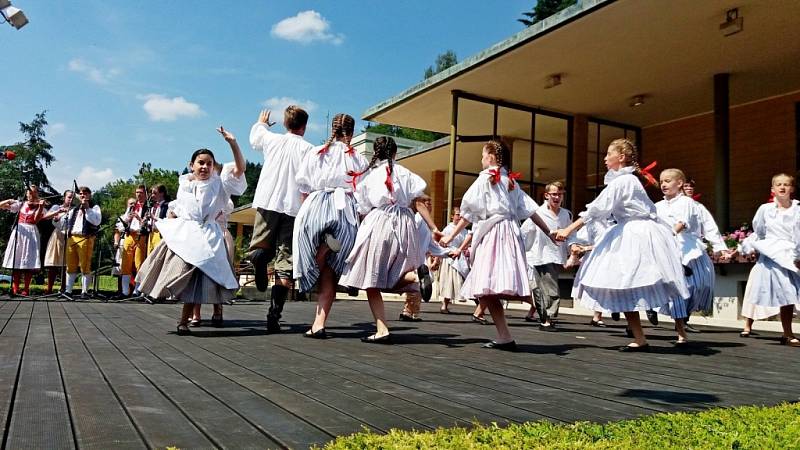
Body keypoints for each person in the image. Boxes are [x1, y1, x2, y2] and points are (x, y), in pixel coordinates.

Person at [554, 138, 689, 352]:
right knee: (623, 282)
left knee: (632, 278)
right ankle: (640, 337)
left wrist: (568, 230)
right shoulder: (625, 181)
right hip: (629, 231)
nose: (605, 158)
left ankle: (667, 328)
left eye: (609, 154)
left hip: (636, 233)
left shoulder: (624, 181)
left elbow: (598, 209)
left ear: (622, 157)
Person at [440, 140, 552, 351]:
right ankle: (508, 331)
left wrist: (450, 235)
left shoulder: (486, 180)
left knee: (488, 283)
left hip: (494, 233)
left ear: (490, 157)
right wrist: (549, 231)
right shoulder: (511, 182)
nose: (481, 160)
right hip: (510, 231)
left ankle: (519, 318)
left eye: (483, 156)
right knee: (493, 283)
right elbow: (531, 211)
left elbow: (468, 213)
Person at [135, 127, 246, 334]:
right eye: (201, 163)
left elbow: (240, 169)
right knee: (180, 271)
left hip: (210, 236)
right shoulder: (184, 185)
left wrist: (233, 143)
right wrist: (169, 221)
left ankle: (195, 317)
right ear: (191, 165)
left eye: (209, 163)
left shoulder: (220, 185)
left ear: (214, 167)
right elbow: (178, 208)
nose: (204, 167)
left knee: (202, 275)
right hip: (187, 235)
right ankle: (183, 317)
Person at [339, 136, 438, 343]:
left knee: (372, 279)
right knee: (398, 271)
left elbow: (363, 208)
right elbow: (418, 200)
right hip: (405, 223)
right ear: (394, 153)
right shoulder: (406, 174)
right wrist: (434, 227)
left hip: (380, 221)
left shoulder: (370, 177)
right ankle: (414, 276)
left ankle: (382, 328)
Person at [292, 113, 368, 338]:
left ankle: (318, 253)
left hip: (317, 203)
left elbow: (303, 187)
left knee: (307, 251)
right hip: (345, 209)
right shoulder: (358, 158)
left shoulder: (316, 152)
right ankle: (319, 323)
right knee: (331, 273)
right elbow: (363, 195)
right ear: (352, 133)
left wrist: (306, 217)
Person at [247, 106, 314, 333]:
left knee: (260, 244)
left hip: (268, 201)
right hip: (294, 208)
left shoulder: (272, 140)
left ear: (285, 124)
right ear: (304, 126)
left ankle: (259, 258)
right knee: (286, 263)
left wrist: (262, 123)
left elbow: (256, 138)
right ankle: (274, 314)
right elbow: (311, 181)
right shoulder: (308, 149)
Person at [655, 168, 733, 345]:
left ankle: (684, 316)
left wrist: (720, 247)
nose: (664, 184)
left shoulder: (688, 203)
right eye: (661, 182)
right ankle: (681, 330)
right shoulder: (657, 207)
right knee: (676, 290)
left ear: (680, 183)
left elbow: (690, 223)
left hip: (690, 249)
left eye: (668, 181)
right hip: (669, 251)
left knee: (700, 285)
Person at [738, 173, 800, 346]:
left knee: (792, 295)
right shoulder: (765, 209)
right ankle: (788, 334)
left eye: (786, 184)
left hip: (791, 255)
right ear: (772, 189)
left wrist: (798, 255)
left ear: (792, 188)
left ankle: (787, 333)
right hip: (772, 256)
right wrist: (746, 247)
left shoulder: (797, 210)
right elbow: (759, 232)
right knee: (786, 294)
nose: (782, 187)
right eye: (778, 184)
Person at [521, 181, 572, 331]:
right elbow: (524, 233)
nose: (557, 197)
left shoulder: (566, 214)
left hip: (557, 255)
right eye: (554, 194)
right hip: (540, 255)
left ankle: (545, 320)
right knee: (551, 288)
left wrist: (572, 249)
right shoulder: (537, 213)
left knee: (540, 288)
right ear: (546, 195)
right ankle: (548, 318)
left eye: (560, 194)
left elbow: (571, 234)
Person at [1, 185, 46, 296]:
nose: (32, 195)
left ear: (37, 194)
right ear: (26, 194)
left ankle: (26, 289)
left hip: (31, 232)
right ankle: (15, 288)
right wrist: (9, 200)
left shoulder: (40, 206)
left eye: (34, 193)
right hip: (19, 231)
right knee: (17, 261)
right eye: (29, 193)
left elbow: (35, 220)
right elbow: (1, 206)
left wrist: (40, 207)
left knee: (29, 261)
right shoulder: (20, 204)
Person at [64, 186, 102, 299]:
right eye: (81, 194)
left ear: (89, 195)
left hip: (85, 238)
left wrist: (87, 209)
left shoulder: (94, 208)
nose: (82, 195)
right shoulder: (74, 209)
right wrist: (57, 219)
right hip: (72, 237)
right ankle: (68, 290)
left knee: (85, 265)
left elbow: (96, 222)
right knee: (70, 265)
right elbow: (65, 222)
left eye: (85, 193)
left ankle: (84, 291)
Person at [116, 185, 149, 298]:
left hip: (141, 236)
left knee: (139, 263)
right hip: (129, 235)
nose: (138, 195)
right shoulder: (132, 207)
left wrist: (139, 219)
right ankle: (125, 291)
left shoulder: (148, 207)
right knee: (125, 263)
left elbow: (149, 225)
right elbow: (122, 222)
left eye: (140, 192)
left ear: (145, 194)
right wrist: (128, 218)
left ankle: (137, 290)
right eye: (137, 192)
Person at [437, 206, 470, 314]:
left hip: (461, 257)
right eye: (457, 214)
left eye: (461, 215)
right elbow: (441, 245)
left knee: (464, 280)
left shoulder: (464, 230)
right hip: (450, 258)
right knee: (449, 282)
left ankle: (479, 306)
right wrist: (437, 260)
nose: (459, 217)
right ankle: (444, 305)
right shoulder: (448, 229)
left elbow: (466, 243)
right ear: (452, 216)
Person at [41, 190, 75, 294]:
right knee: (54, 264)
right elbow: (45, 217)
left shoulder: (75, 209)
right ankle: (49, 288)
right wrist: (58, 213)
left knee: (66, 265)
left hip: (70, 236)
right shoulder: (57, 207)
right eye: (69, 197)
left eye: (72, 197)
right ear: (64, 197)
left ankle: (64, 288)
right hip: (58, 235)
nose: (70, 199)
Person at [146, 184, 170, 254]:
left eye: (155, 193)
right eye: (152, 193)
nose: (152, 195)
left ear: (162, 193)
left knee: (156, 256)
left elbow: (167, 222)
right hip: (151, 234)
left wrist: (153, 217)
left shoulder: (167, 205)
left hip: (160, 234)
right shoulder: (154, 206)